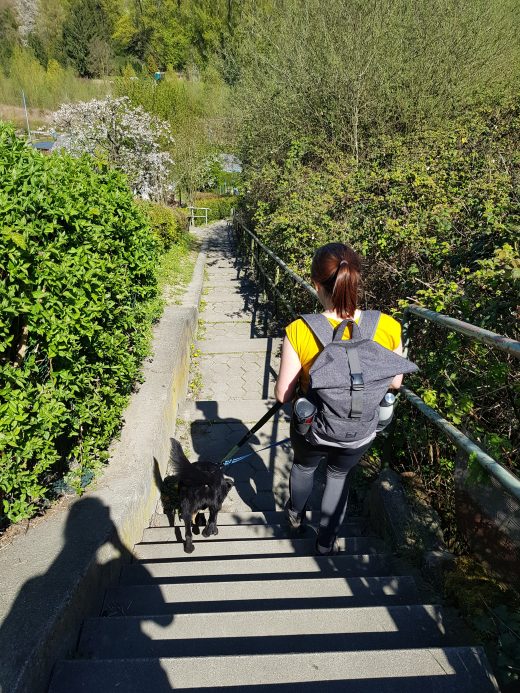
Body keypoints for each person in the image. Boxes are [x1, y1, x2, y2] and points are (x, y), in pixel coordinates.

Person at [274, 242, 404, 555]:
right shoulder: (387, 325)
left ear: (316, 284)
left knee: (304, 467)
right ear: (355, 280)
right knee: (338, 475)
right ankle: (326, 543)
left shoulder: (300, 330)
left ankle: (295, 516)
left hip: (314, 427)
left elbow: (283, 394)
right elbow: (395, 382)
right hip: (359, 429)